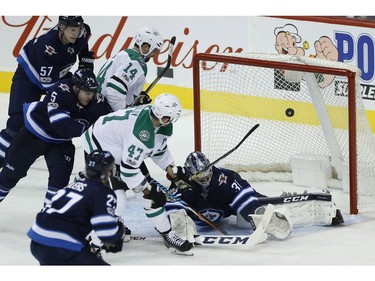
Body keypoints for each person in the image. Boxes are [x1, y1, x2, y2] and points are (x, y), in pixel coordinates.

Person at [80, 93, 194, 255]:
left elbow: (159, 150)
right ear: (161, 115)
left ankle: (168, 234)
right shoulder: (141, 133)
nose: (171, 121)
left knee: (150, 199)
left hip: (121, 147)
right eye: (169, 117)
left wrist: (173, 172)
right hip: (100, 146)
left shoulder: (160, 123)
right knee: (117, 201)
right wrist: (149, 191)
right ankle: (92, 244)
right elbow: (128, 171)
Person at [164, 151, 344, 232]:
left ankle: (323, 212)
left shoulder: (224, 179)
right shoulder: (183, 185)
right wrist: (176, 226)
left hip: (227, 206)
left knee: (254, 214)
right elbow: (169, 209)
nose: (205, 180)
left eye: (207, 175)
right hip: (205, 212)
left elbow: (249, 203)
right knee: (177, 218)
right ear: (191, 175)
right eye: (200, 179)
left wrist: (259, 214)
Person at [0, 16, 95, 168]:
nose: (76, 34)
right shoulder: (49, 47)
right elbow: (48, 85)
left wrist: (85, 76)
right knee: (16, 124)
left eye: (78, 29)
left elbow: (83, 52)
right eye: (72, 30)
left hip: (56, 75)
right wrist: (72, 97)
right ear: (62, 27)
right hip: (29, 78)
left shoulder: (83, 32)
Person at [0, 69, 104, 206]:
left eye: (92, 92)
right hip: (33, 135)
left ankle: (47, 219)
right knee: (8, 178)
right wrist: (87, 122)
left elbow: (107, 121)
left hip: (60, 143)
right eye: (87, 92)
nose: (90, 97)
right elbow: (64, 127)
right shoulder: (59, 92)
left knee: (59, 182)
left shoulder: (96, 100)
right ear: (75, 88)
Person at [27, 150, 126, 265]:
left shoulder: (72, 185)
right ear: (108, 172)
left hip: (37, 242)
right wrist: (117, 233)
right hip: (59, 246)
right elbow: (106, 233)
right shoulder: (103, 192)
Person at [96, 26, 164, 111]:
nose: (154, 55)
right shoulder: (137, 63)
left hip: (96, 103)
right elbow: (114, 90)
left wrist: (134, 98)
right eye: (155, 51)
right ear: (146, 47)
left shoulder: (124, 54)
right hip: (103, 111)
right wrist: (123, 115)